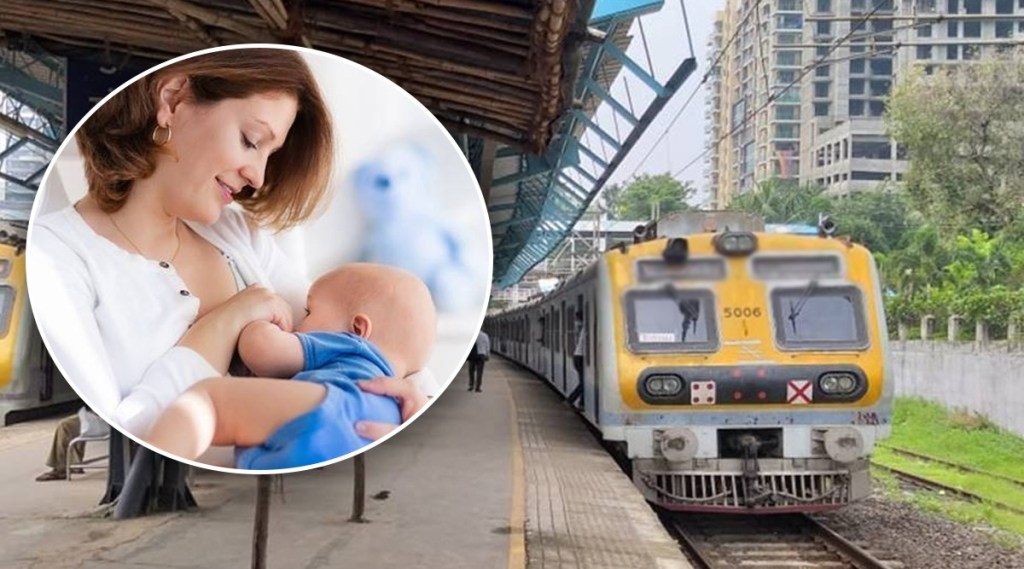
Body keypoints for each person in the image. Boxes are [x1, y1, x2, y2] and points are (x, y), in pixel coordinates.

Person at [28, 48, 428, 452]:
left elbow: (364, 332)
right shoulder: (56, 255)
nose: (257, 176)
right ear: (173, 100)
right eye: (251, 141)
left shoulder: (238, 233)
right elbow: (124, 431)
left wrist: (407, 392)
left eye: (270, 155)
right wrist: (224, 323)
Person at [145, 264, 435, 468]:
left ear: (357, 328)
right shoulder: (398, 395)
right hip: (374, 427)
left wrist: (260, 321)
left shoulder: (350, 346)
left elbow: (261, 349)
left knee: (208, 401)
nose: (298, 322)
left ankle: (154, 467)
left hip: (338, 403)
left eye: (309, 311)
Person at [568, 312, 586, 408]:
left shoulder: (583, 328)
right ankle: (571, 400)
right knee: (584, 383)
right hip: (580, 357)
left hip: (578, 357)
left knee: (583, 382)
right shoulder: (586, 328)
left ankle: (581, 403)